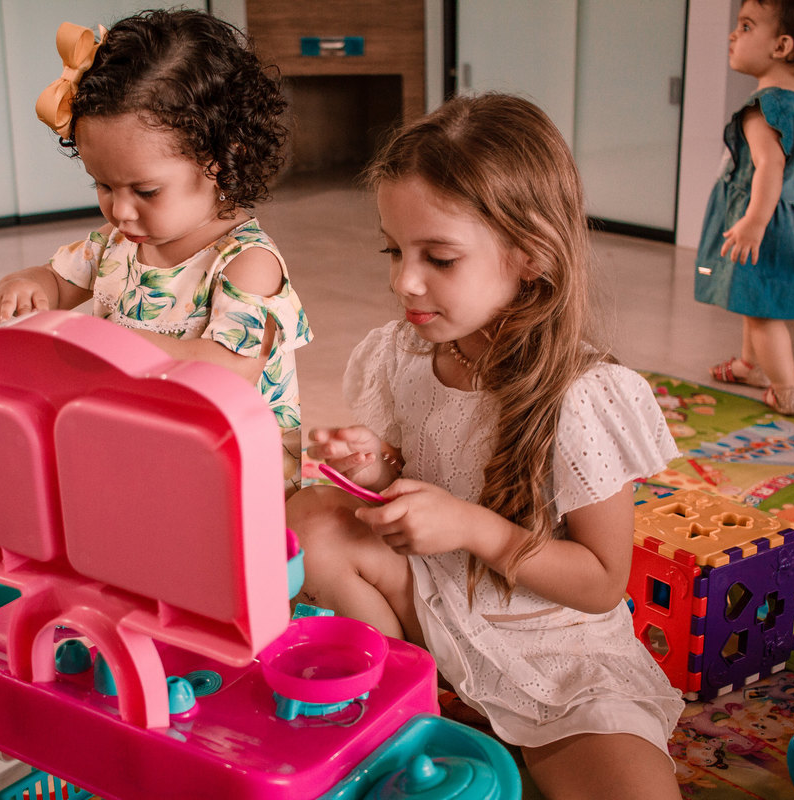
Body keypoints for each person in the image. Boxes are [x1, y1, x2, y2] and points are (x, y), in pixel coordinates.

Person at [286, 93, 684, 799]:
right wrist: (375, 470)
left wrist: (473, 528)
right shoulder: (403, 354)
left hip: (556, 650)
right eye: (394, 250)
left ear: (530, 256)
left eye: (438, 258)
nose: (403, 281)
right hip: (437, 608)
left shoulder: (583, 396)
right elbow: (410, 483)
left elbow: (601, 584)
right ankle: (405, 702)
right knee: (311, 516)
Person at [0, 10, 312, 495]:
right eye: (103, 185)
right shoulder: (114, 243)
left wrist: (110, 343)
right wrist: (25, 286)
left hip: (231, 470)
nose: (120, 210)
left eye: (145, 191)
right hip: (143, 446)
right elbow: (56, 282)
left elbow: (228, 368)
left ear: (224, 160)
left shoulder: (247, 263)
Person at [696, 0, 794, 415]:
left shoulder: (764, 108)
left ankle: (785, 390)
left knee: (763, 315)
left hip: (768, 225)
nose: (733, 34)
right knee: (754, 297)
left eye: (746, 26)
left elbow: (770, 167)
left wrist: (754, 223)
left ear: (781, 46)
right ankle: (749, 366)